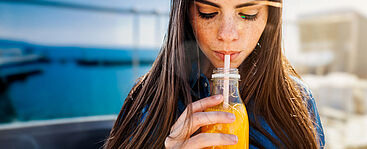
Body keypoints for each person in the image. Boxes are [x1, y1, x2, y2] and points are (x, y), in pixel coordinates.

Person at [104, 0, 325, 148]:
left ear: (270, 16)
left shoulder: (297, 99)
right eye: (208, 13)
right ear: (186, 13)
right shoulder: (147, 103)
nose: (227, 35)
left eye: (248, 13)